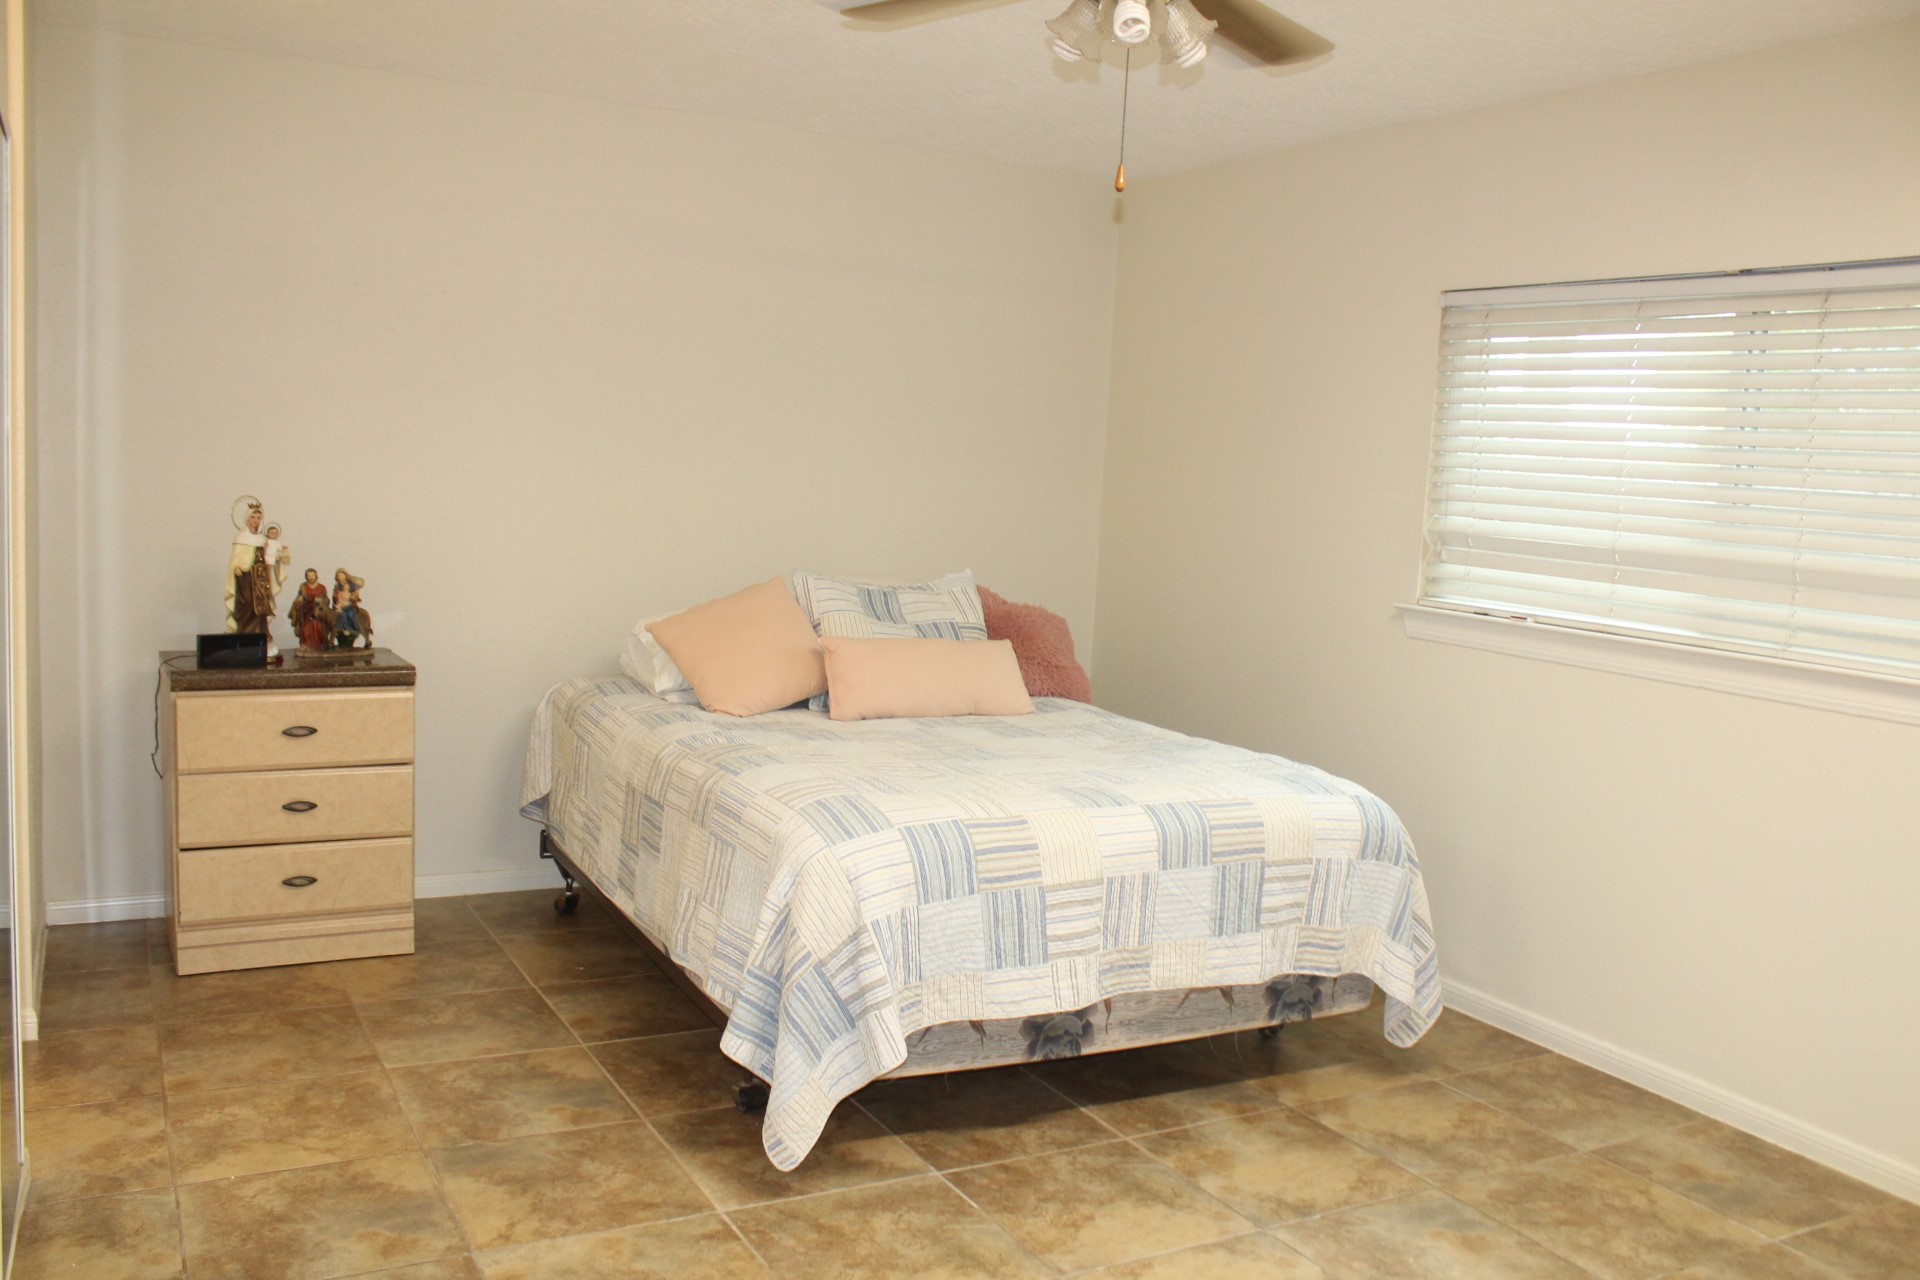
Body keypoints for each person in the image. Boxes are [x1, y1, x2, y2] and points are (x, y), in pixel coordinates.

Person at [225, 504, 273, 636]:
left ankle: (260, 634)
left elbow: (268, 556)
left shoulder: (262, 538)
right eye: (253, 517)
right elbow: (235, 558)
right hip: (246, 576)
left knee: (261, 604)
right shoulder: (241, 537)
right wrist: (237, 567)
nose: (255, 520)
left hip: (260, 577)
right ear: (247, 518)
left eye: (258, 517)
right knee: (247, 602)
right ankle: (245, 633)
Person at [288, 568, 332, 651]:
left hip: (318, 611)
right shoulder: (303, 587)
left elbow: (326, 600)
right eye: (309, 575)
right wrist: (299, 600)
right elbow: (300, 597)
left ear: (316, 576)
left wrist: (321, 600)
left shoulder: (322, 587)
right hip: (306, 610)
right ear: (306, 577)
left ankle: (320, 644)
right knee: (306, 626)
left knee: (319, 626)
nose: (311, 577)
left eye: (312, 575)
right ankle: (306, 644)